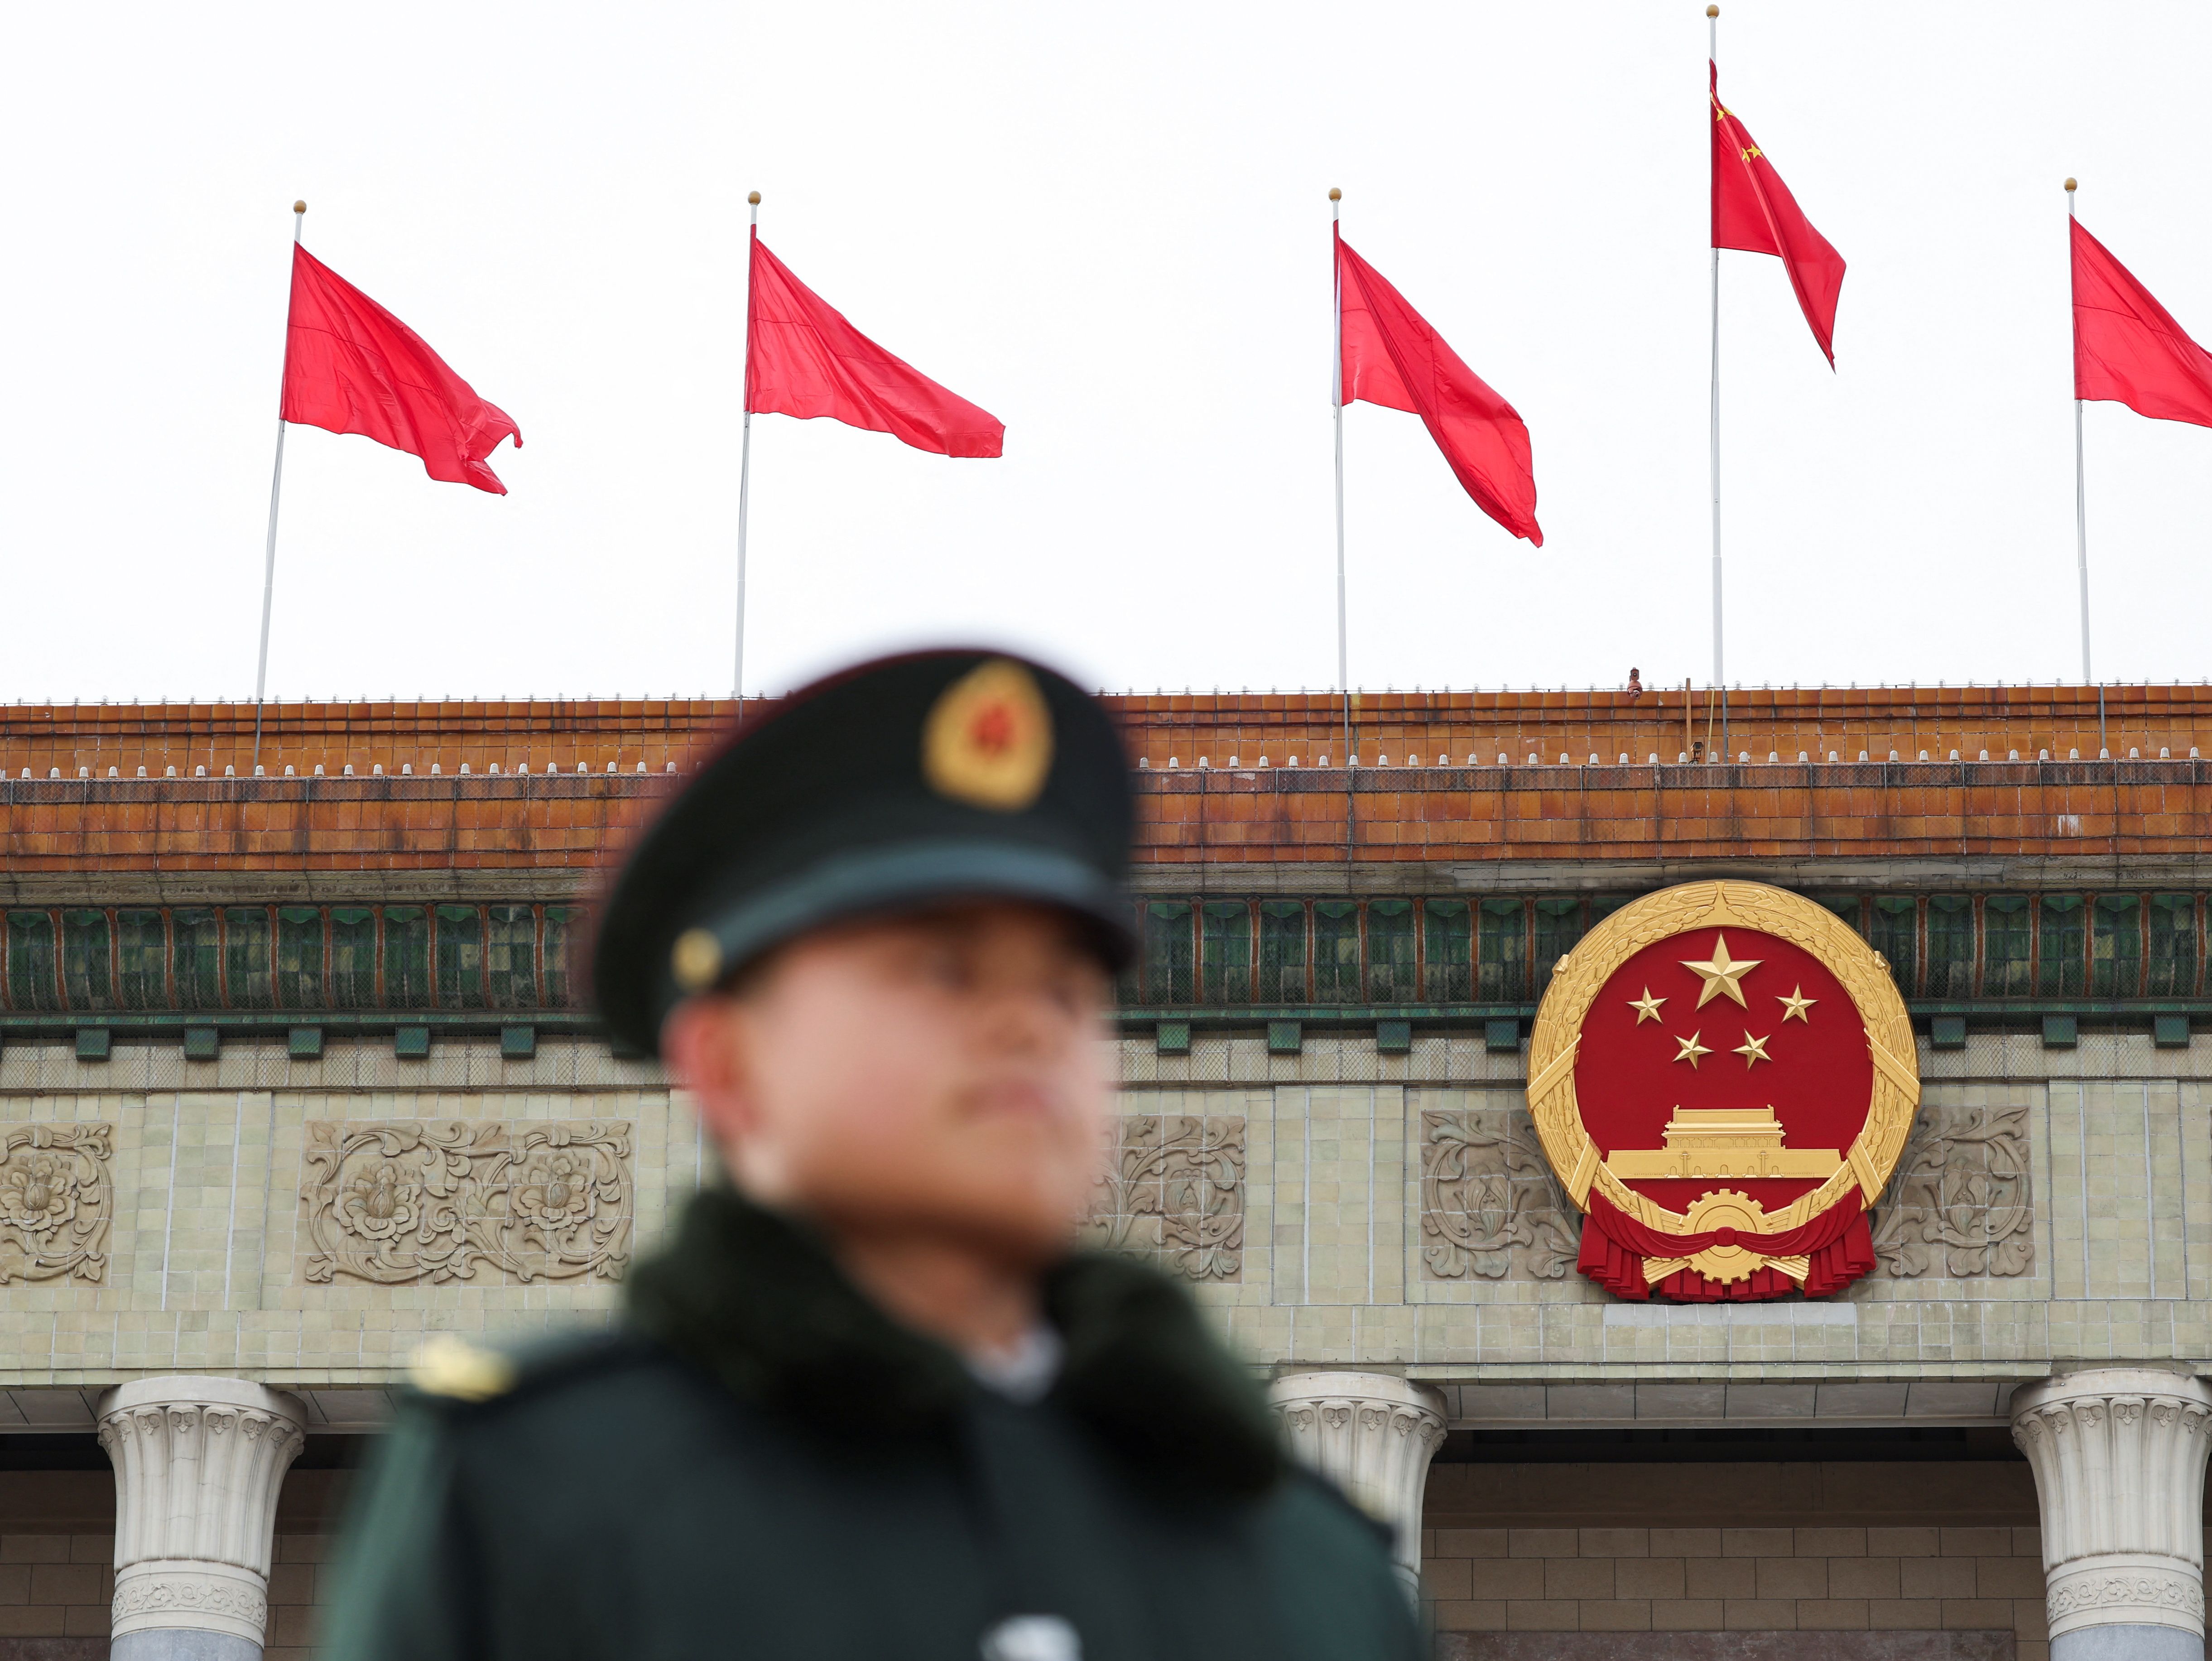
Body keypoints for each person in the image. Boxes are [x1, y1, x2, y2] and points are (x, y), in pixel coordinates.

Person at [317, 650, 1422, 1661]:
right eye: (942, 967)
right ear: (725, 1062)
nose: (1027, 1026)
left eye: (1065, 989)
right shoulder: (551, 1492)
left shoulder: (1307, 1567)